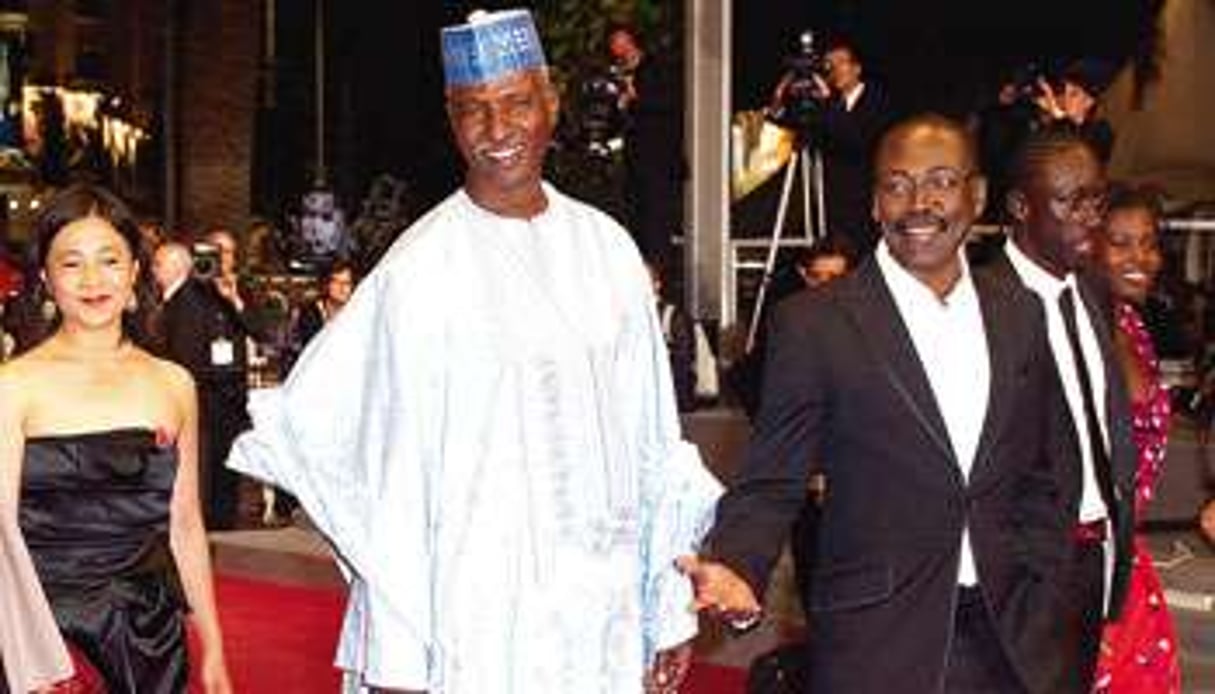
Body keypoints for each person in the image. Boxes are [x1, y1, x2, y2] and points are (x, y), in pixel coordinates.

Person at [226, 9, 720, 693]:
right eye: (472, 111)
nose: (496, 131)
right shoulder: (420, 268)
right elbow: (378, 480)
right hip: (474, 617)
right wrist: (397, 651)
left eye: (516, 103)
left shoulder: (604, 248)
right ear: (451, 120)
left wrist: (666, 608)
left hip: (597, 612)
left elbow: (651, 437)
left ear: (549, 103)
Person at [680, 114, 1079, 693]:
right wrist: (740, 566)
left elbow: (1050, 468)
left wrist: (1045, 582)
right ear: (874, 204)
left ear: (978, 195)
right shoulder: (814, 324)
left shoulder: (1018, 312)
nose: (919, 203)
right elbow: (773, 478)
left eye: (941, 181)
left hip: (1011, 640)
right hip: (878, 643)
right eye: (897, 185)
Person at [0, 183, 230, 693]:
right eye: (71, 263)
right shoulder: (12, 386)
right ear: (45, 279)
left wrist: (213, 645)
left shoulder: (172, 384)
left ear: (133, 273)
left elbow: (186, 525)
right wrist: (28, 656)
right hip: (41, 637)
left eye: (108, 260)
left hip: (147, 637)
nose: (92, 279)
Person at [993, 124, 1139, 690]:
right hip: (1018, 573)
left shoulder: (1093, 290)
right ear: (1019, 207)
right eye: (1071, 201)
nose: (1090, 217)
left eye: (1097, 200)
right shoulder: (979, 300)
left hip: (1091, 560)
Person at [1088, 184, 1180, 692]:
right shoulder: (1070, 329)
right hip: (1084, 570)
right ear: (1088, 244)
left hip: (1126, 563)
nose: (1140, 257)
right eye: (1120, 242)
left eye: (1148, 242)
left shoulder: (1131, 324)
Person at [154, 235, 259, 530]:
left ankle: (225, 523)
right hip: (201, 392)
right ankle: (204, 523)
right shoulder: (191, 294)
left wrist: (234, 299)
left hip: (232, 392)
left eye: (227, 253)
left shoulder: (238, 290)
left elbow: (263, 330)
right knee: (201, 465)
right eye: (215, 252)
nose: (220, 260)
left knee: (228, 465)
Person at [611, 23, 685, 267]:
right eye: (614, 42)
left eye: (621, 40)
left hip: (660, 159)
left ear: (632, 41)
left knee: (658, 224)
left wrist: (635, 100)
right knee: (636, 219)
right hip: (635, 161)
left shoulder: (657, 68)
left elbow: (669, 105)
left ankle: (659, 277)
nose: (617, 47)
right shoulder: (618, 74)